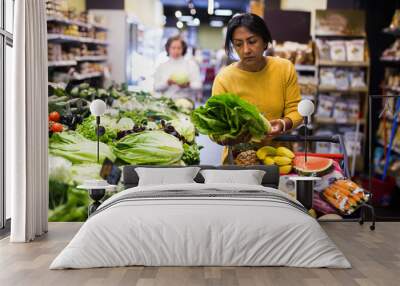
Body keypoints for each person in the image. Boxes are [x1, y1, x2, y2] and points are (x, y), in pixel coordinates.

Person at [212, 13, 303, 161]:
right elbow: (214, 128)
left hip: (278, 157)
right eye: (238, 44)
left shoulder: (284, 68)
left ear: (265, 41)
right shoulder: (224, 79)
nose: (246, 50)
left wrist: (283, 123)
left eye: (252, 41)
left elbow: (296, 111)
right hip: (238, 160)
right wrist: (230, 138)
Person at [154, 36, 202, 100]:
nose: (176, 50)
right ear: (168, 49)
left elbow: (199, 86)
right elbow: (156, 87)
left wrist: (188, 84)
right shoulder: (162, 66)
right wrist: (167, 83)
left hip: (187, 102)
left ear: (183, 49)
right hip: (167, 102)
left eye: (179, 48)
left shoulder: (191, 65)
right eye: (173, 48)